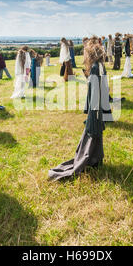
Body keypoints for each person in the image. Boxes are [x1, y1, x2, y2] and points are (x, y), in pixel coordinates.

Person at [48, 37, 112, 181]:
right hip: (98, 109)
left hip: (95, 110)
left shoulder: (96, 67)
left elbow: (96, 92)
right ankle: (96, 160)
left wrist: (93, 115)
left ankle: (90, 160)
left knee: (91, 136)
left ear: (90, 55)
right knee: (94, 137)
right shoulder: (100, 65)